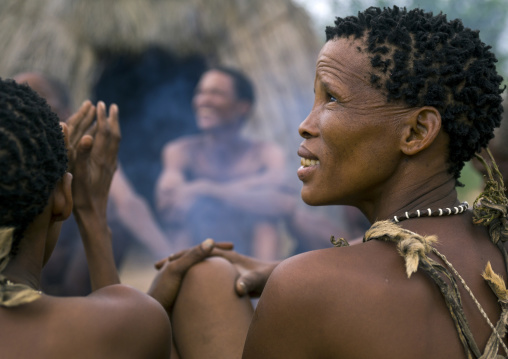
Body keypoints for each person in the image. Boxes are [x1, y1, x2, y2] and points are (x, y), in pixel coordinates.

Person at [151, 6, 508, 358]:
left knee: (201, 280)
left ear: (416, 131)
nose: (305, 124)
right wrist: (272, 268)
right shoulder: (496, 242)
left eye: (332, 98)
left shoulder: (308, 285)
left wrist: (153, 326)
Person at [0, 78, 174, 357]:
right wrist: (92, 212)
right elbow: (126, 334)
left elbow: (130, 206)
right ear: (63, 197)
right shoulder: (136, 322)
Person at [13, 71, 173, 295]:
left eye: (37, 96)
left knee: (115, 224)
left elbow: (128, 203)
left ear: (67, 112)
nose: (25, 105)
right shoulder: (9, 154)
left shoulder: (88, 148)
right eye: (16, 98)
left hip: (77, 269)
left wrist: (167, 255)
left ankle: (82, 303)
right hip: (24, 272)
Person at [155, 66, 295, 260]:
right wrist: (252, 187)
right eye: (200, 93)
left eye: (216, 93)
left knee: (265, 223)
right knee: (184, 226)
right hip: (201, 246)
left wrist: (208, 189)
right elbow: (169, 207)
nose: (203, 100)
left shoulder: (265, 153)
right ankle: (182, 283)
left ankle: (264, 286)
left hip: (251, 252)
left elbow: (284, 205)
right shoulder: (180, 151)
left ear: (242, 106)